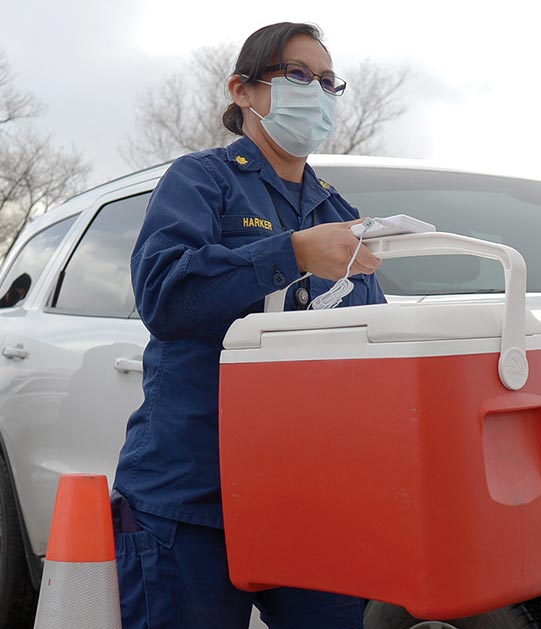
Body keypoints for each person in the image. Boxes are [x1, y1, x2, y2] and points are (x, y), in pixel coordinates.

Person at [112, 22, 385, 628]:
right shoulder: (201, 181)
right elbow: (163, 295)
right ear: (243, 90)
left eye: (326, 81)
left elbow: (371, 345)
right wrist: (292, 254)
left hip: (308, 499)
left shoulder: (340, 214)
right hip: (192, 495)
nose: (315, 91)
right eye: (296, 75)